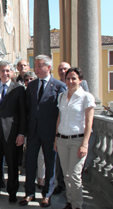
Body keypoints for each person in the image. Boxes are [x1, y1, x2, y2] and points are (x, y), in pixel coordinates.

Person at [19, 55, 66, 207]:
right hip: (33, 131)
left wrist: (58, 133)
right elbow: (27, 109)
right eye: (36, 66)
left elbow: (62, 112)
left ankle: (47, 194)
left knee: (50, 163)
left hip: (50, 132)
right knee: (30, 162)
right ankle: (29, 194)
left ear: (48, 67)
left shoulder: (58, 86)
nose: (36, 69)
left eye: (40, 66)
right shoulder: (31, 86)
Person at [0, 61, 26, 205]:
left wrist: (21, 134)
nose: (5, 73)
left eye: (8, 71)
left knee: (12, 164)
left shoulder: (18, 89)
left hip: (12, 134)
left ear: (12, 72)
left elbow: (22, 113)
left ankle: (12, 192)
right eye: (2, 71)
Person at [54, 67, 95, 209]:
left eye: (74, 78)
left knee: (75, 175)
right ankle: (70, 201)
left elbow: (89, 122)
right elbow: (60, 118)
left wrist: (84, 144)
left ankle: (78, 205)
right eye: (68, 78)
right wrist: (56, 139)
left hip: (78, 140)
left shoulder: (86, 97)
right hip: (62, 140)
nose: (70, 81)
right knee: (66, 175)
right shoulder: (62, 96)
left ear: (80, 80)